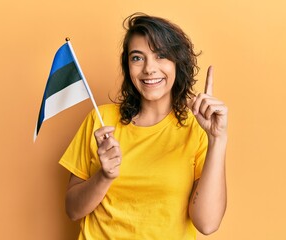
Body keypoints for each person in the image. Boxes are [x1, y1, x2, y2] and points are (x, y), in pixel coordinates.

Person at [59, 12, 228, 240]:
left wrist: (217, 139)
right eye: (137, 58)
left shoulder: (196, 128)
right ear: (128, 66)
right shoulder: (101, 120)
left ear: (177, 62)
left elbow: (207, 224)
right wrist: (104, 176)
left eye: (160, 56)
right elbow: (72, 210)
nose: (149, 68)